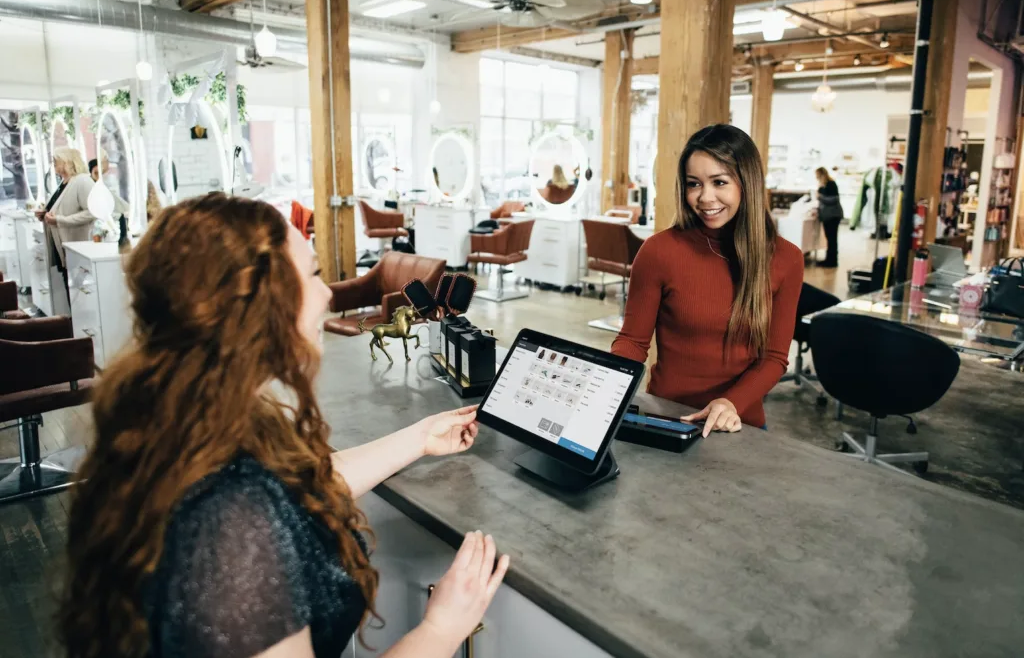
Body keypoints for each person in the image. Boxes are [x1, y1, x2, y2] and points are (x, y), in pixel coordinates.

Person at [59, 194, 509, 658]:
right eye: (313, 275)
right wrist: (441, 629)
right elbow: (256, 499)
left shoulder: (181, 418)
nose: (328, 295)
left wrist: (420, 437)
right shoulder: (230, 526)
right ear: (257, 303)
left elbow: (295, 486)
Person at [611, 124, 803, 435]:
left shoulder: (786, 259)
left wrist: (730, 403)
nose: (704, 197)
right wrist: (605, 385)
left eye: (719, 182)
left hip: (739, 424)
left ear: (747, 183)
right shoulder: (659, 251)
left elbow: (775, 358)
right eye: (694, 184)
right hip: (668, 418)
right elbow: (632, 342)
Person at [41, 148, 95, 292]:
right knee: (69, 285)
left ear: (66, 161)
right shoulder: (65, 182)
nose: (53, 164)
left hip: (76, 243)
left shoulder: (83, 181)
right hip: (62, 244)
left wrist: (59, 220)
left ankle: (77, 315)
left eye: (55, 161)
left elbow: (91, 213)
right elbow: (59, 207)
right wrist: (45, 213)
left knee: (77, 289)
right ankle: (72, 315)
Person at [815, 167, 843, 268]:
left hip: (833, 216)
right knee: (830, 239)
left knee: (832, 239)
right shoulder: (823, 185)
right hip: (827, 216)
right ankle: (829, 259)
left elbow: (834, 200)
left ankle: (832, 261)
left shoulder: (831, 184)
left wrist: (820, 197)